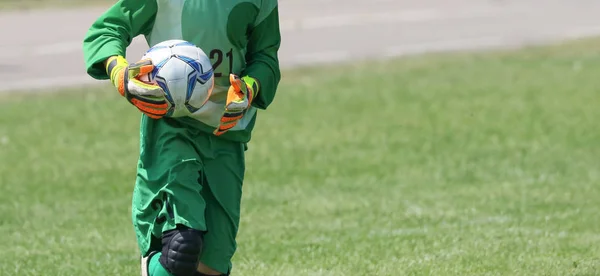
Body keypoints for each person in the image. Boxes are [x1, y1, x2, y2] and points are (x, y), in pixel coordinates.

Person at [82, 0, 281, 275]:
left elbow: (265, 56)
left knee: (212, 266)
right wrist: (119, 73)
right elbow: (105, 31)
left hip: (226, 132)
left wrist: (250, 88)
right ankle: (155, 263)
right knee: (181, 247)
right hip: (170, 127)